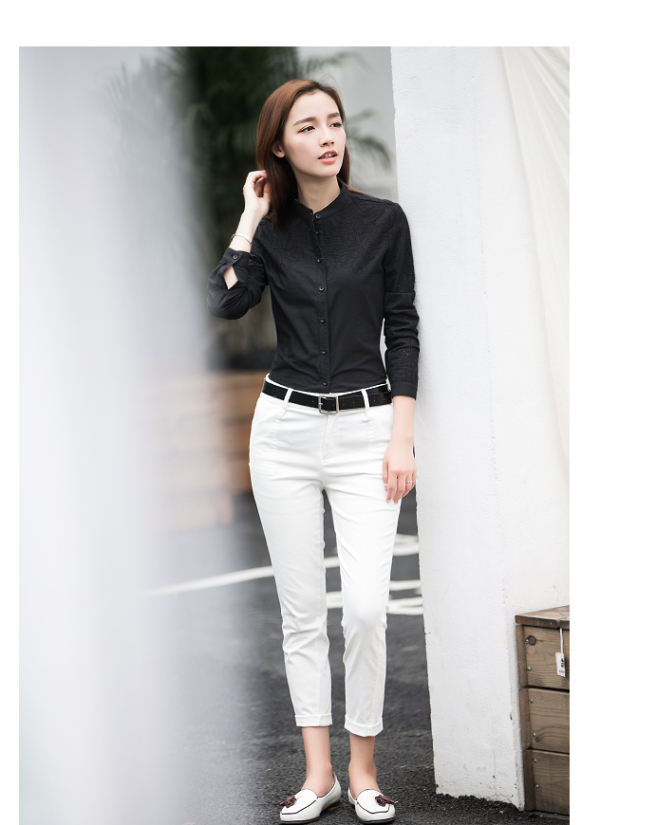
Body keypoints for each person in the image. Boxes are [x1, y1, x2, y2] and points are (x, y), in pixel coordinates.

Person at [207, 78, 419, 824]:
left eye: (334, 122)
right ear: (279, 146)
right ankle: (320, 772)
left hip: (367, 433)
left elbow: (404, 328)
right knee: (301, 613)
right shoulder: (270, 231)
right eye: (308, 127)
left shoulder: (383, 221)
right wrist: (248, 215)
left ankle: (364, 769)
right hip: (285, 434)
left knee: (363, 609)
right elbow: (225, 300)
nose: (328, 136)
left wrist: (402, 437)